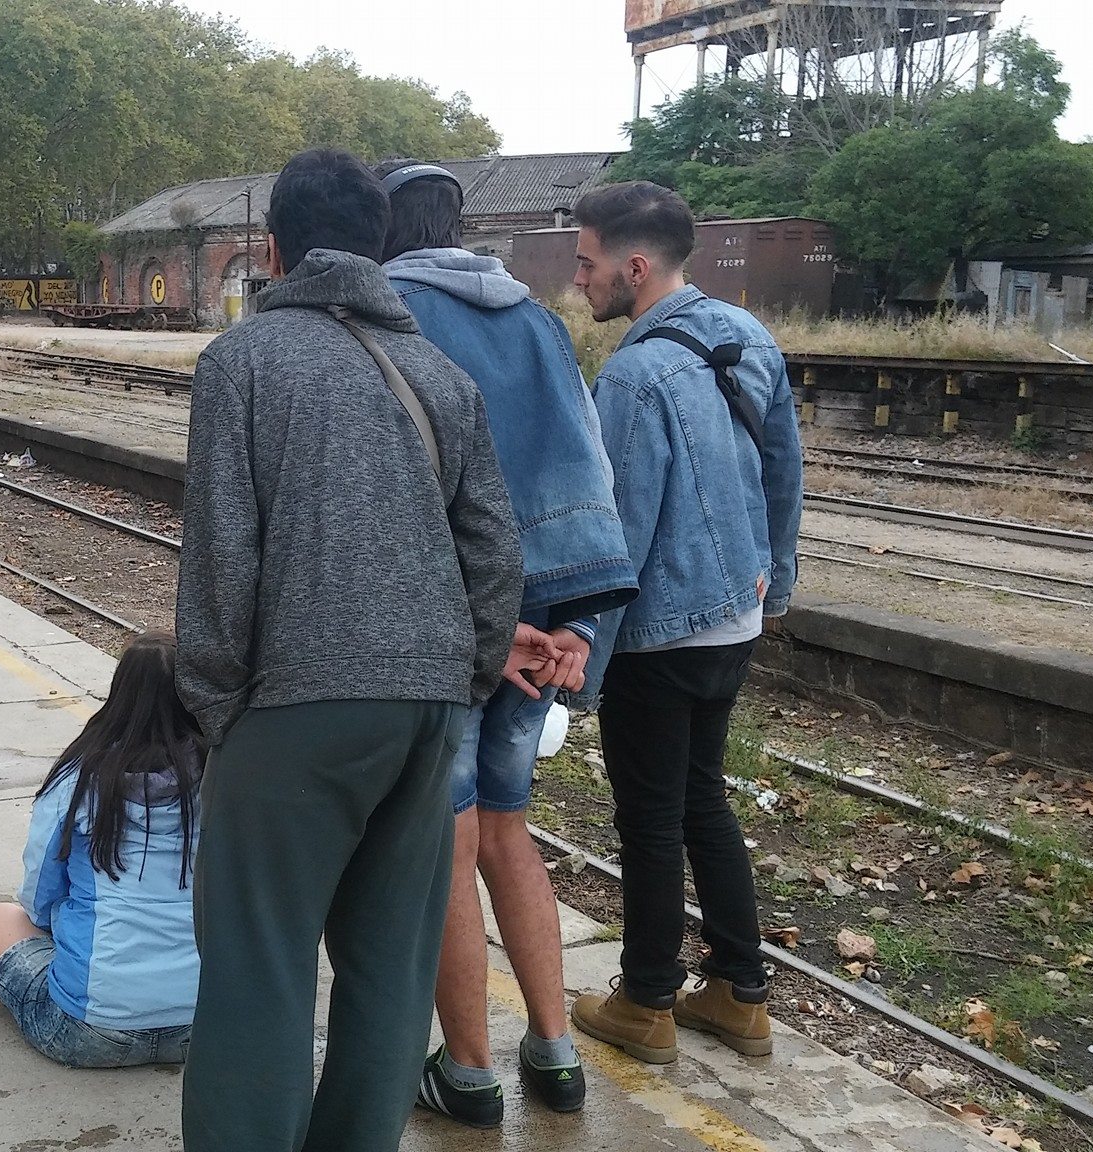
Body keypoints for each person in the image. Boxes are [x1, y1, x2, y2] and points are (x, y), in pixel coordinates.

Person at [174, 147, 530, 1152]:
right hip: (426, 712)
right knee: (387, 972)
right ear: (379, 248)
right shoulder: (438, 373)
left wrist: (216, 705)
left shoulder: (239, 363)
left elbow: (220, 553)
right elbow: (494, 554)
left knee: (259, 967)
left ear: (275, 249)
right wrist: (455, 680)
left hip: (292, 706)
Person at [372, 159, 639, 1127]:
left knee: (442, 840)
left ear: (381, 232)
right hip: (549, 616)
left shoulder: (387, 316)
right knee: (507, 830)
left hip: (457, 621)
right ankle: (556, 1055)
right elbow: (584, 467)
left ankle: (470, 1073)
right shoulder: (534, 320)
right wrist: (574, 623)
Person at [562, 181, 803, 1064]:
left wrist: (584, 662)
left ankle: (648, 1000)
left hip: (661, 633)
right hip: (734, 618)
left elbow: (613, 532)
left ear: (634, 266)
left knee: (652, 820)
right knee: (704, 799)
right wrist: (770, 595)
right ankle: (740, 993)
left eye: (585, 264)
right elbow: (785, 478)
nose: (576, 280)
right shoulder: (752, 339)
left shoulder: (631, 374)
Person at [0, 633, 203, 1068]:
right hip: (203, 1030)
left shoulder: (80, 780)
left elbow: (39, 897)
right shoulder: (222, 781)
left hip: (87, 1031)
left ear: (118, 694)